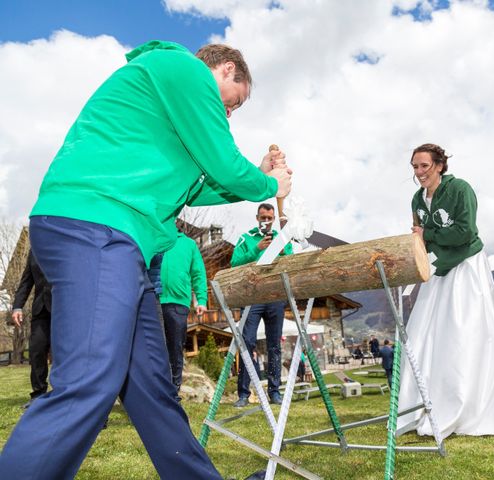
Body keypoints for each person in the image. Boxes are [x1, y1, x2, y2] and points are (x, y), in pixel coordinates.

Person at [0, 41, 291, 480]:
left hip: (122, 241)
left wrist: (257, 172)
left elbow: (205, 185)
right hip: (96, 223)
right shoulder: (184, 70)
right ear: (226, 69)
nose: (230, 113)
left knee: (151, 389)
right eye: (235, 101)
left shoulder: (171, 110)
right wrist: (268, 182)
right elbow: (226, 167)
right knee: (87, 383)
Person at [397, 143, 494, 439]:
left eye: (424, 165)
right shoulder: (416, 198)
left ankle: (469, 405)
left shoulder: (460, 189)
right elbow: (418, 236)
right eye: (415, 166)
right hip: (437, 269)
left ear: (439, 165)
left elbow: (465, 231)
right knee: (427, 333)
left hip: (466, 266)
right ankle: (425, 403)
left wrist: (429, 234)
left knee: (465, 331)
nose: (419, 172)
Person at [232, 203, 293, 407]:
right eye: (262, 217)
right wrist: (256, 250)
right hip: (251, 297)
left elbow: (292, 261)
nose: (266, 221)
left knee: (274, 345)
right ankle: (243, 394)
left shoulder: (281, 237)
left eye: (269, 218)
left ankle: (274, 392)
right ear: (257, 218)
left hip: (275, 295)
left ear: (273, 219)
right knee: (246, 343)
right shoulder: (246, 238)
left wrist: (283, 250)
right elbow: (234, 263)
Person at [160, 226, 208, 400]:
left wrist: (201, 300)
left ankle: (173, 393)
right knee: (155, 348)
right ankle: (157, 391)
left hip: (178, 302)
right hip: (154, 300)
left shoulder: (188, 244)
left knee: (175, 347)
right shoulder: (155, 238)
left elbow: (198, 273)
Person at [11, 249, 52, 409]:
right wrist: (17, 307)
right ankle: (38, 394)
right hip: (40, 309)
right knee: (36, 350)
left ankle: (65, 395)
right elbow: (27, 281)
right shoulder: (35, 250)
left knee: (64, 354)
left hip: (64, 310)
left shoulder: (66, 241)